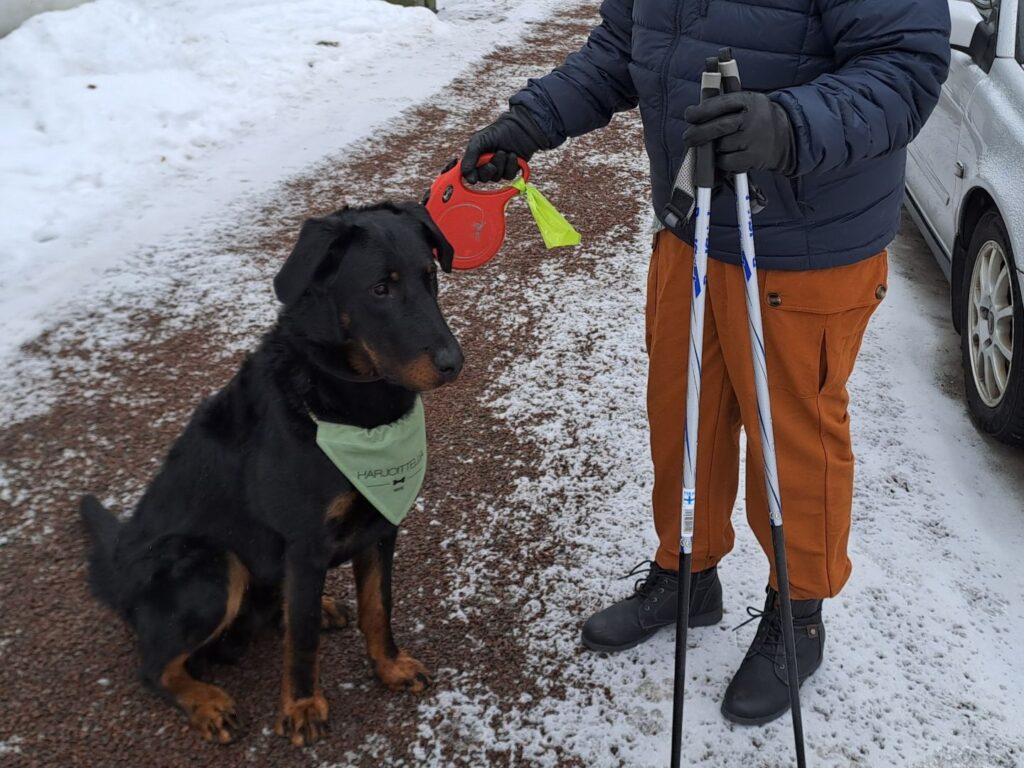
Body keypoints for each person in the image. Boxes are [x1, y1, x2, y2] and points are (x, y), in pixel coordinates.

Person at [461, 0, 951, 724]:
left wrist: (789, 125)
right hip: (693, 219)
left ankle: (799, 613)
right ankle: (688, 572)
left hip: (805, 240)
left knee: (795, 439)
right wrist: (532, 121)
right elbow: (623, 46)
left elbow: (905, 68)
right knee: (682, 407)